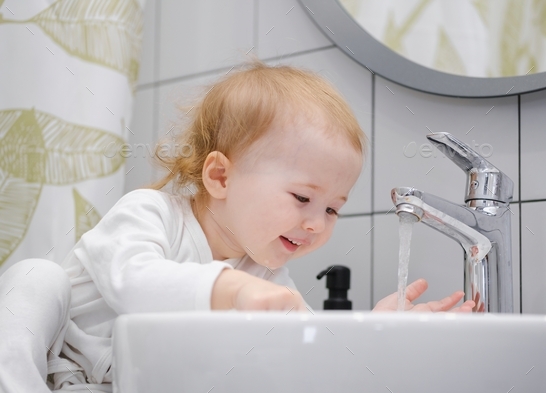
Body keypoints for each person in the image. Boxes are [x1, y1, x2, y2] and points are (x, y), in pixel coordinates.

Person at [0, 60, 475, 392]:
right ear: (221, 176)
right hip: (47, 361)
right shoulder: (150, 213)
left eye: (332, 209)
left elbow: (304, 347)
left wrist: (375, 330)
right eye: (303, 198)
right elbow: (135, 283)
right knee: (36, 278)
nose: (316, 223)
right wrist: (230, 291)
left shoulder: (264, 273)